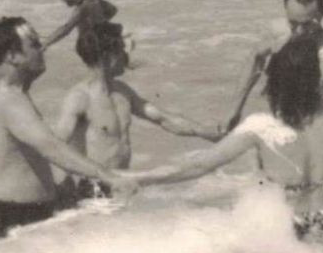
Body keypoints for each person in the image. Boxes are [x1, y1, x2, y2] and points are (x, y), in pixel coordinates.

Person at [130, 33, 323, 239]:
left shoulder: (261, 127)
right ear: (315, 79)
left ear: (277, 82)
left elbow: (199, 166)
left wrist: (139, 178)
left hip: (287, 234)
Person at [0, 17, 134, 242]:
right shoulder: (7, 97)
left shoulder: (14, 95)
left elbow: (27, 158)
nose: (42, 48)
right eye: (33, 44)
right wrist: (108, 176)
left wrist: (56, 190)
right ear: (12, 56)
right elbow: (51, 147)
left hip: (20, 216)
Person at [53, 21, 219, 199]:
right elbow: (55, 146)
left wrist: (205, 132)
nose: (126, 56)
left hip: (122, 185)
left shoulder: (122, 92)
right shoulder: (80, 98)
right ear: (109, 56)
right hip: (93, 189)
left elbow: (163, 119)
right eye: (122, 51)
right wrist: (63, 186)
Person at [223, 0, 323, 131]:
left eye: (307, 24)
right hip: (277, 113)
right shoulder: (277, 32)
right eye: (292, 23)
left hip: (314, 126)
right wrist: (234, 110)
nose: (299, 31)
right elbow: (256, 59)